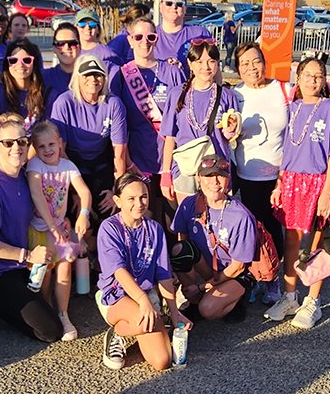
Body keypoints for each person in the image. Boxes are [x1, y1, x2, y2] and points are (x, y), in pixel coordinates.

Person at [0, 113, 64, 343]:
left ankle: (7, 302)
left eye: (22, 141)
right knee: (50, 331)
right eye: (8, 143)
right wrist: (28, 255)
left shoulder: (25, 175)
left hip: (20, 265)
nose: (16, 147)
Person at [266, 58, 330, 329]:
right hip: (291, 181)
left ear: (324, 81)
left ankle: (313, 300)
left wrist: (326, 193)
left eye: (318, 76)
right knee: (291, 241)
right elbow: (287, 151)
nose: (313, 80)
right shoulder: (295, 108)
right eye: (308, 75)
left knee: (317, 244)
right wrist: (279, 183)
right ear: (298, 78)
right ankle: (290, 296)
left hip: (319, 181)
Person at [96, 172, 192, 371]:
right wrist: (143, 300)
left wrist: (174, 313)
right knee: (144, 322)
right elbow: (119, 271)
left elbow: (163, 274)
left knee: (162, 361)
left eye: (143, 197)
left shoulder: (155, 229)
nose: (139, 203)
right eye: (131, 198)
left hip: (146, 295)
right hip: (118, 294)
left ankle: (145, 323)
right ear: (118, 201)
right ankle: (118, 333)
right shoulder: (109, 228)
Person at [113, 17, 185, 237]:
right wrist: (125, 162)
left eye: (151, 37)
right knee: (143, 222)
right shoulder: (122, 75)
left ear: (157, 39)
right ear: (130, 40)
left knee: (174, 225)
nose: (145, 42)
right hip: (137, 161)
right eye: (139, 37)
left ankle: (176, 270)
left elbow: (182, 117)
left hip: (170, 161)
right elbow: (116, 120)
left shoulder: (172, 72)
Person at [231, 43, 289, 303]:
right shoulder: (235, 95)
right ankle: (257, 275)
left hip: (280, 174)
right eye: (244, 64)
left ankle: (275, 279)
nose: (251, 68)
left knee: (276, 228)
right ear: (237, 69)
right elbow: (226, 132)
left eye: (256, 61)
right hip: (247, 173)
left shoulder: (284, 89)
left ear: (265, 62)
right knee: (254, 229)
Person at [170, 155, 258, 323]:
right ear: (198, 178)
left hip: (234, 273)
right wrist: (188, 280)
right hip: (207, 266)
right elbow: (183, 241)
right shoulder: (189, 204)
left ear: (228, 179)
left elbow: (238, 266)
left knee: (207, 309)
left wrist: (201, 286)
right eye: (208, 176)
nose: (215, 182)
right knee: (180, 250)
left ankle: (238, 298)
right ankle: (194, 299)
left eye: (221, 176)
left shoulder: (240, 216)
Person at [26, 120, 92, 341]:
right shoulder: (34, 166)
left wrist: (83, 213)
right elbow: (37, 195)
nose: (48, 150)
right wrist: (53, 225)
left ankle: (63, 314)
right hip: (39, 227)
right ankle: (45, 311)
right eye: (42, 146)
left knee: (64, 268)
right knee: (44, 272)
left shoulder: (68, 167)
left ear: (60, 143)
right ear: (35, 148)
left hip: (59, 228)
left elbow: (84, 192)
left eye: (52, 144)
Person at [50, 54, 127, 227]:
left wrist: (117, 190)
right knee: (75, 211)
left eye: (98, 74)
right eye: (87, 75)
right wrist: (75, 192)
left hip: (102, 163)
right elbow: (60, 151)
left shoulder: (113, 103)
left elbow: (119, 154)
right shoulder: (64, 103)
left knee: (109, 207)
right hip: (72, 163)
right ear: (78, 77)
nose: (93, 79)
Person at [161, 39, 238, 204]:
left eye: (211, 61)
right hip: (185, 168)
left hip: (217, 170)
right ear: (190, 63)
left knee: (216, 220)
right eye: (200, 61)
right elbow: (169, 138)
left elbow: (230, 137)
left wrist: (230, 130)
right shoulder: (176, 94)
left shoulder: (227, 95)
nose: (206, 67)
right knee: (187, 222)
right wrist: (166, 174)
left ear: (218, 63)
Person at [0, 38, 47, 159]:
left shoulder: (44, 92)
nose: (20, 65)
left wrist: (24, 162)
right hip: (2, 156)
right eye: (13, 60)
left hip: (33, 157)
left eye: (27, 60)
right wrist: (1, 161)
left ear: (35, 62)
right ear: (7, 63)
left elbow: (42, 134)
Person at [154, 0, 212, 70]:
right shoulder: (149, 36)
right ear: (160, 7)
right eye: (169, 3)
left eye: (179, 4)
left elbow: (214, 67)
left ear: (185, 8)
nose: (174, 7)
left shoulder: (200, 34)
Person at [43, 22, 81, 105]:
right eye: (60, 44)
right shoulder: (44, 78)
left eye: (72, 43)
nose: (67, 47)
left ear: (80, 46)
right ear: (54, 48)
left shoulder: (89, 78)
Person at [75, 8, 119, 76]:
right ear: (76, 28)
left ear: (98, 29)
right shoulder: (71, 51)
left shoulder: (107, 53)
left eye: (92, 25)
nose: (87, 28)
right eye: (82, 24)